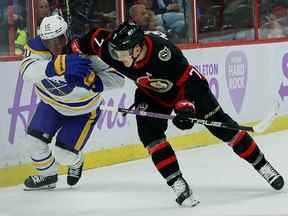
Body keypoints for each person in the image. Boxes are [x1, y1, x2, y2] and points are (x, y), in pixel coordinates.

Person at [69, 22, 285, 206]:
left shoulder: (165, 54)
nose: (119, 59)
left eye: (124, 54)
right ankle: (177, 183)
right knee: (150, 136)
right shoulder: (109, 47)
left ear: (138, 48)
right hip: (150, 92)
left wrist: (185, 108)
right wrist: (67, 58)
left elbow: (187, 84)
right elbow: (86, 41)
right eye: (116, 53)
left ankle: (263, 166)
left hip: (190, 88)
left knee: (224, 129)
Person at [19, 15, 125, 190]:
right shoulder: (35, 47)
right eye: (48, 41)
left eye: (58, 39)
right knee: (33, 142)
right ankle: (47, 176)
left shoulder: (86, 50)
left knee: (63, 155)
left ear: (66, 35)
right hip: (51, 105)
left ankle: (76, 162)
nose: (54, 46)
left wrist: (94, 81)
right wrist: (56, 66)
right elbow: (27, 71)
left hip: (83, 112)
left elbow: (118, 79)